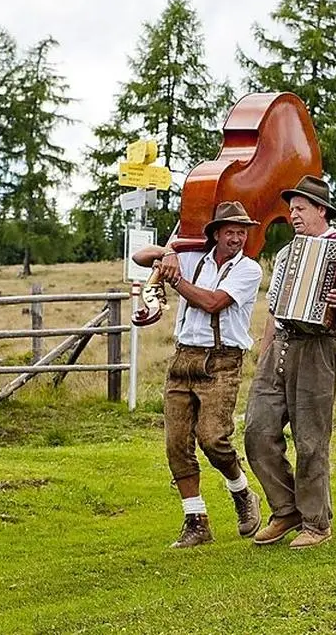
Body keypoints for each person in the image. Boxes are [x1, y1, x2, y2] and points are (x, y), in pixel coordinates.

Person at [244, 175, 336, 550]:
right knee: (257, 431)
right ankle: (285, 509)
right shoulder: (288, 253)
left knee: (310, 441)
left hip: (319, 346)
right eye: (291, 209)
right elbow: (274, 309)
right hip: (281, 346)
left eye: (300, 208)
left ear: (321, 210)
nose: (294, 215)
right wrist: (264, 353)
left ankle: (317, 523)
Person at [132, 201, 265, 548]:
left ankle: (241, 492)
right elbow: (139, 258)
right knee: (176, 444)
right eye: (231, 231)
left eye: (242, 232)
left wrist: (177, 281)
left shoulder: (249, 270)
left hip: (222, 360)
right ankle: (196, 521)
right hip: (182, 358)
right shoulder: (192, 257)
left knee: (213, 438)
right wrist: (169, 251)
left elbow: (212, 302)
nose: (237, 238)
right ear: (216, 233)